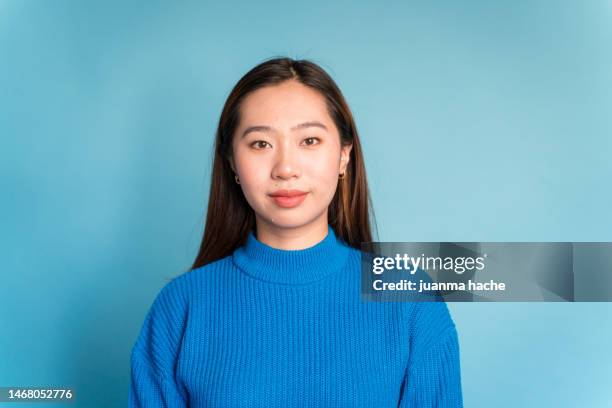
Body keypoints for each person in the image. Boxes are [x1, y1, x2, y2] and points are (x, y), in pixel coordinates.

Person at [128, 57, 463, 407]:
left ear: (344, 156)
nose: (286, 168)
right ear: (232, 162)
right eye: (260, 144)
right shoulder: (180, 308)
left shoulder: (411, 301)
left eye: (310, 140)